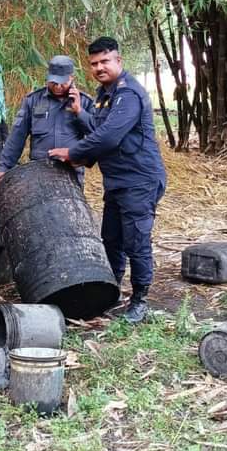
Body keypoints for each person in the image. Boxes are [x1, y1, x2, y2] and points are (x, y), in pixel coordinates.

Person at [48, 37, 167, 324]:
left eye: (105, 61)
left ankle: (139, 300)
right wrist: (80, 114)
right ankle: (111, 292)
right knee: (111, 239)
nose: (99, 67)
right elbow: (99, 131)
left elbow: (109, 136)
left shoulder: (128, 95)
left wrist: (74, 152)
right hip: (116, 181)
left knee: (136, 242)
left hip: (139, 180)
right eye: (94, 64)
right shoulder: (103, 95)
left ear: (118, 61)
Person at [0, 55, 95, 189]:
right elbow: (17, 137)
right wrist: (4, 168)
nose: (58, 86)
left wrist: (80, 111)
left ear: (72, 77)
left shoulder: (85, 102)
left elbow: (97, 136)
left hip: (71, 173)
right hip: (39, 172)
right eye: (54, 82)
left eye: (63, 82)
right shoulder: (33, 100)